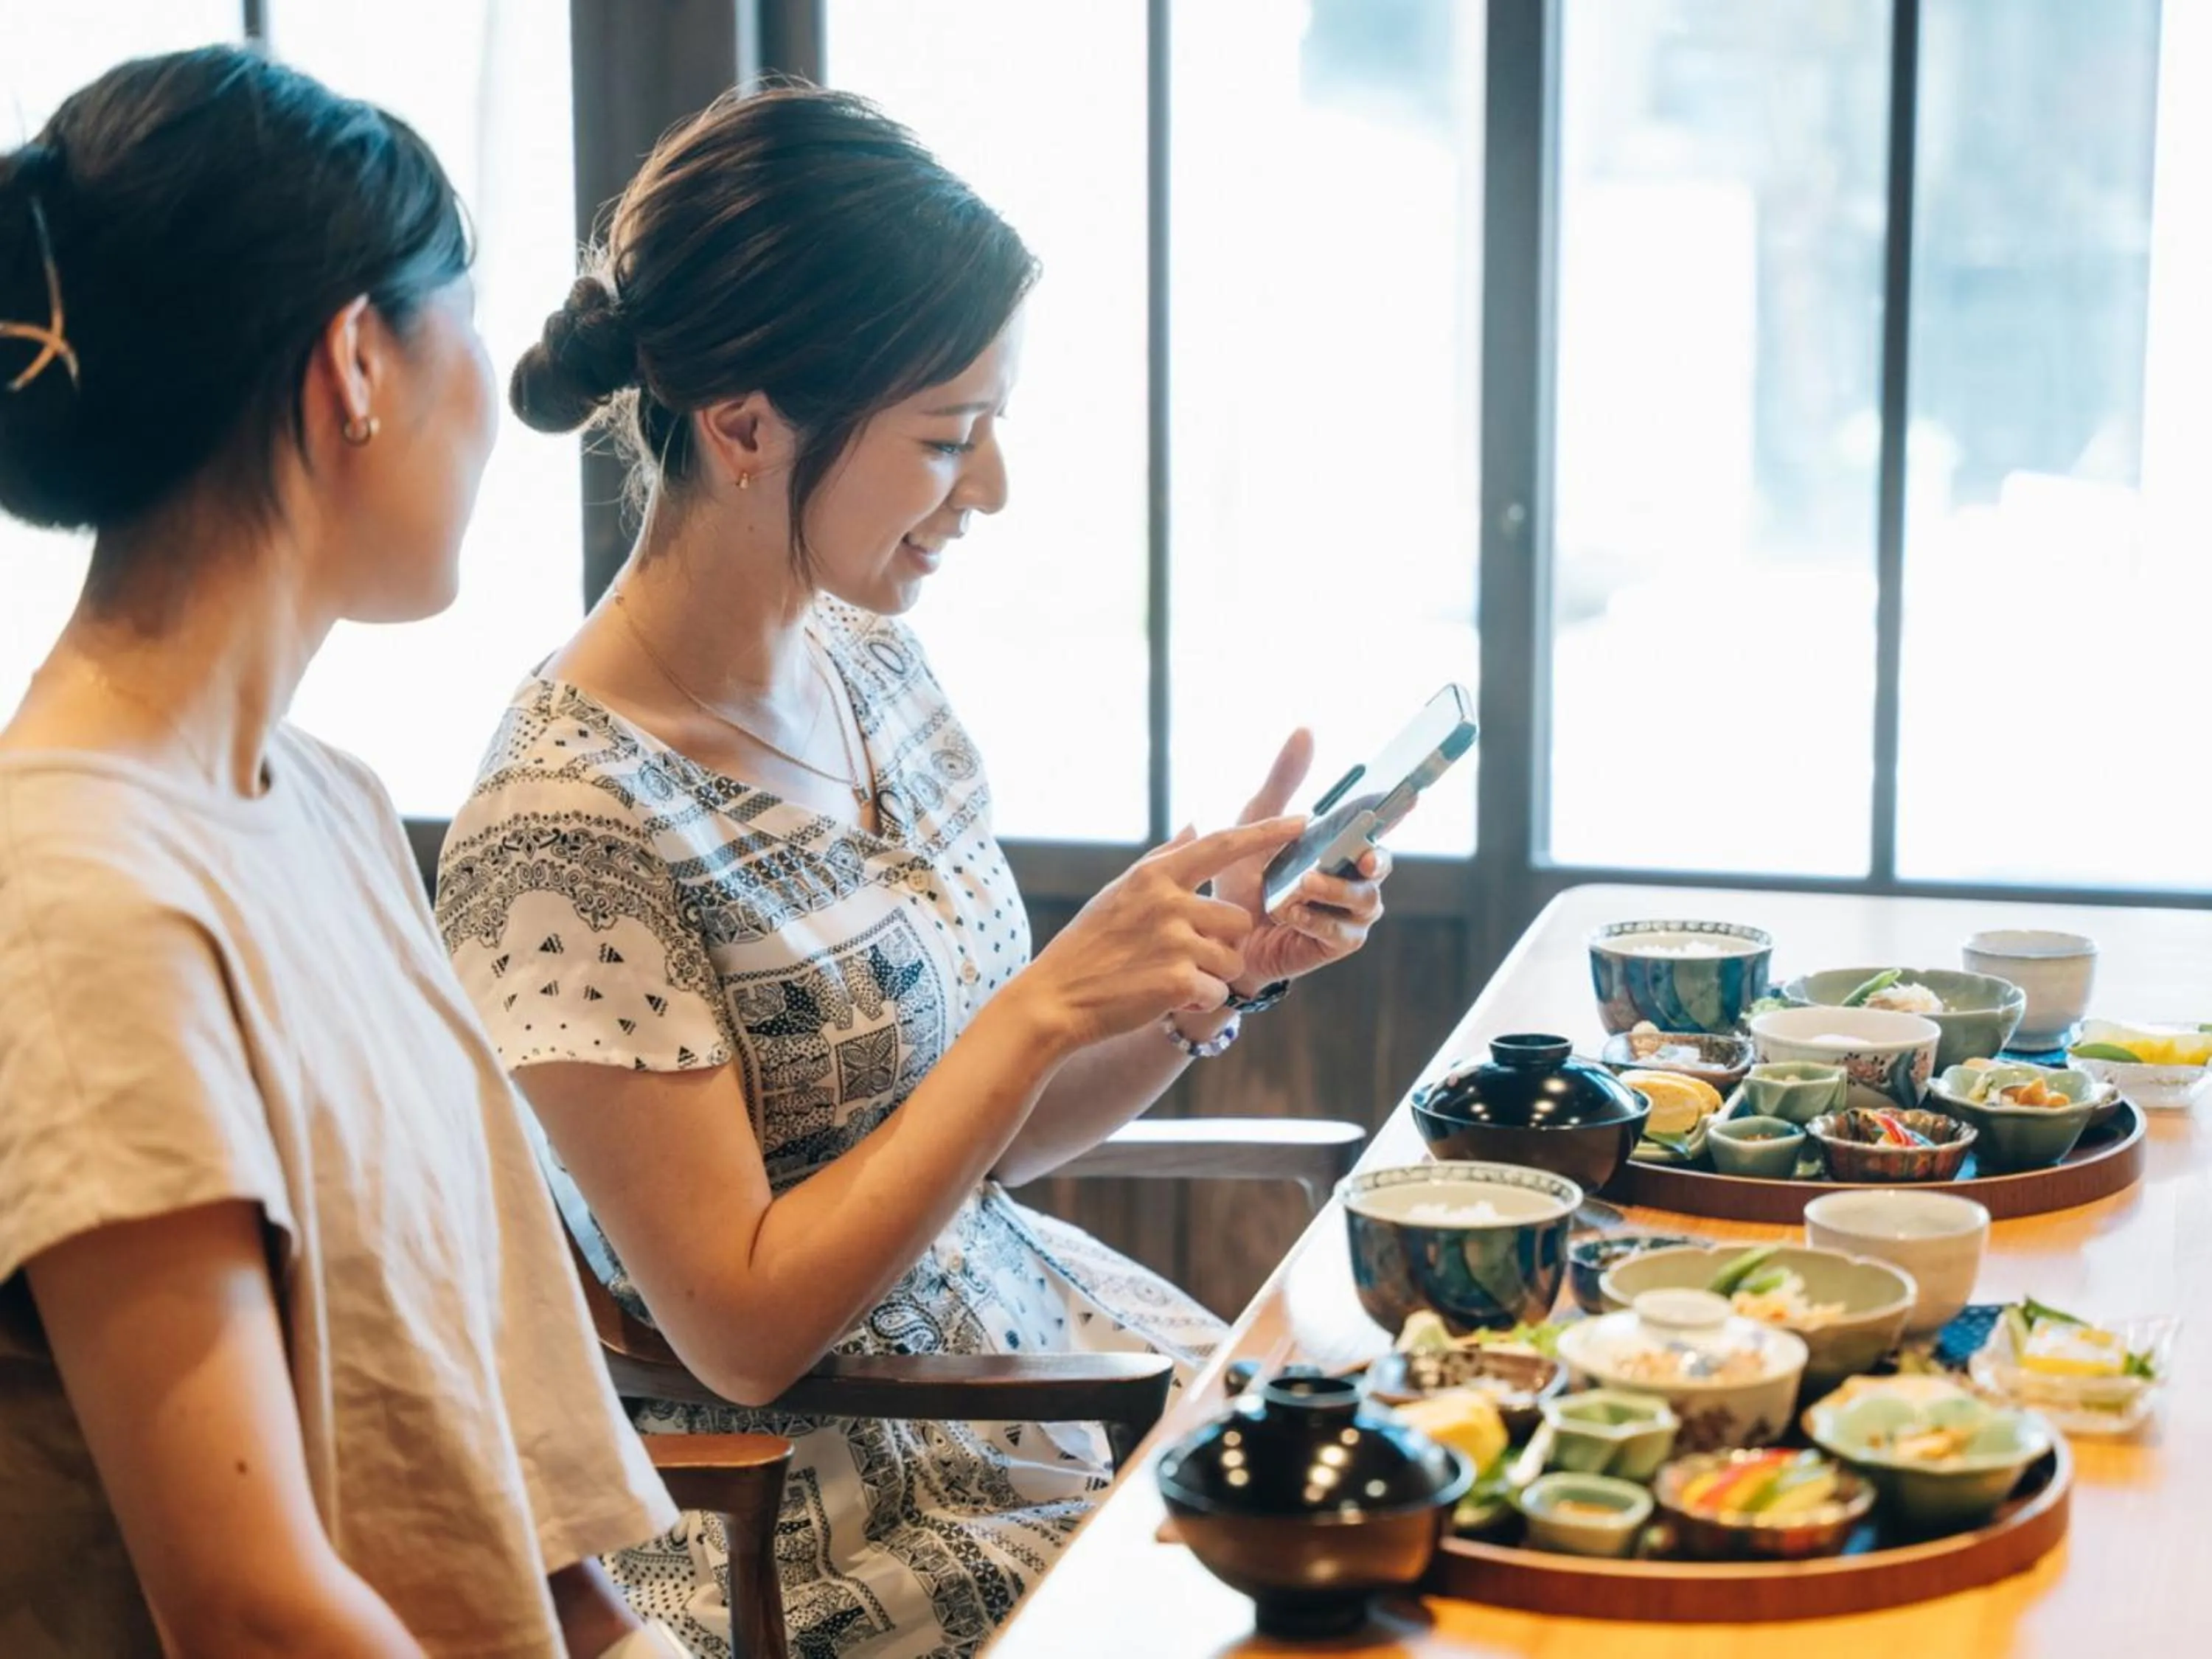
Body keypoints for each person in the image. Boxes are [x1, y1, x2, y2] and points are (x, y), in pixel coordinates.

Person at [435, 85, 1391, 1658]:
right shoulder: (567, 831)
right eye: (949, 437)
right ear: (746, 427)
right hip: (840, 1505)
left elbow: (981, 1150)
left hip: (1049, 1369)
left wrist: (1202, 985)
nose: (992, 491)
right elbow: (739, 1333)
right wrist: (1038, 1010)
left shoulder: (875, 675)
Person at [0, 47, 685, 1658]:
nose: (497, 415)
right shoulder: (72, 894)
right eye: (465, 315)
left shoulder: (331, 807)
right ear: (355, 363)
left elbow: (525, 1510)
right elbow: (251, 1607)